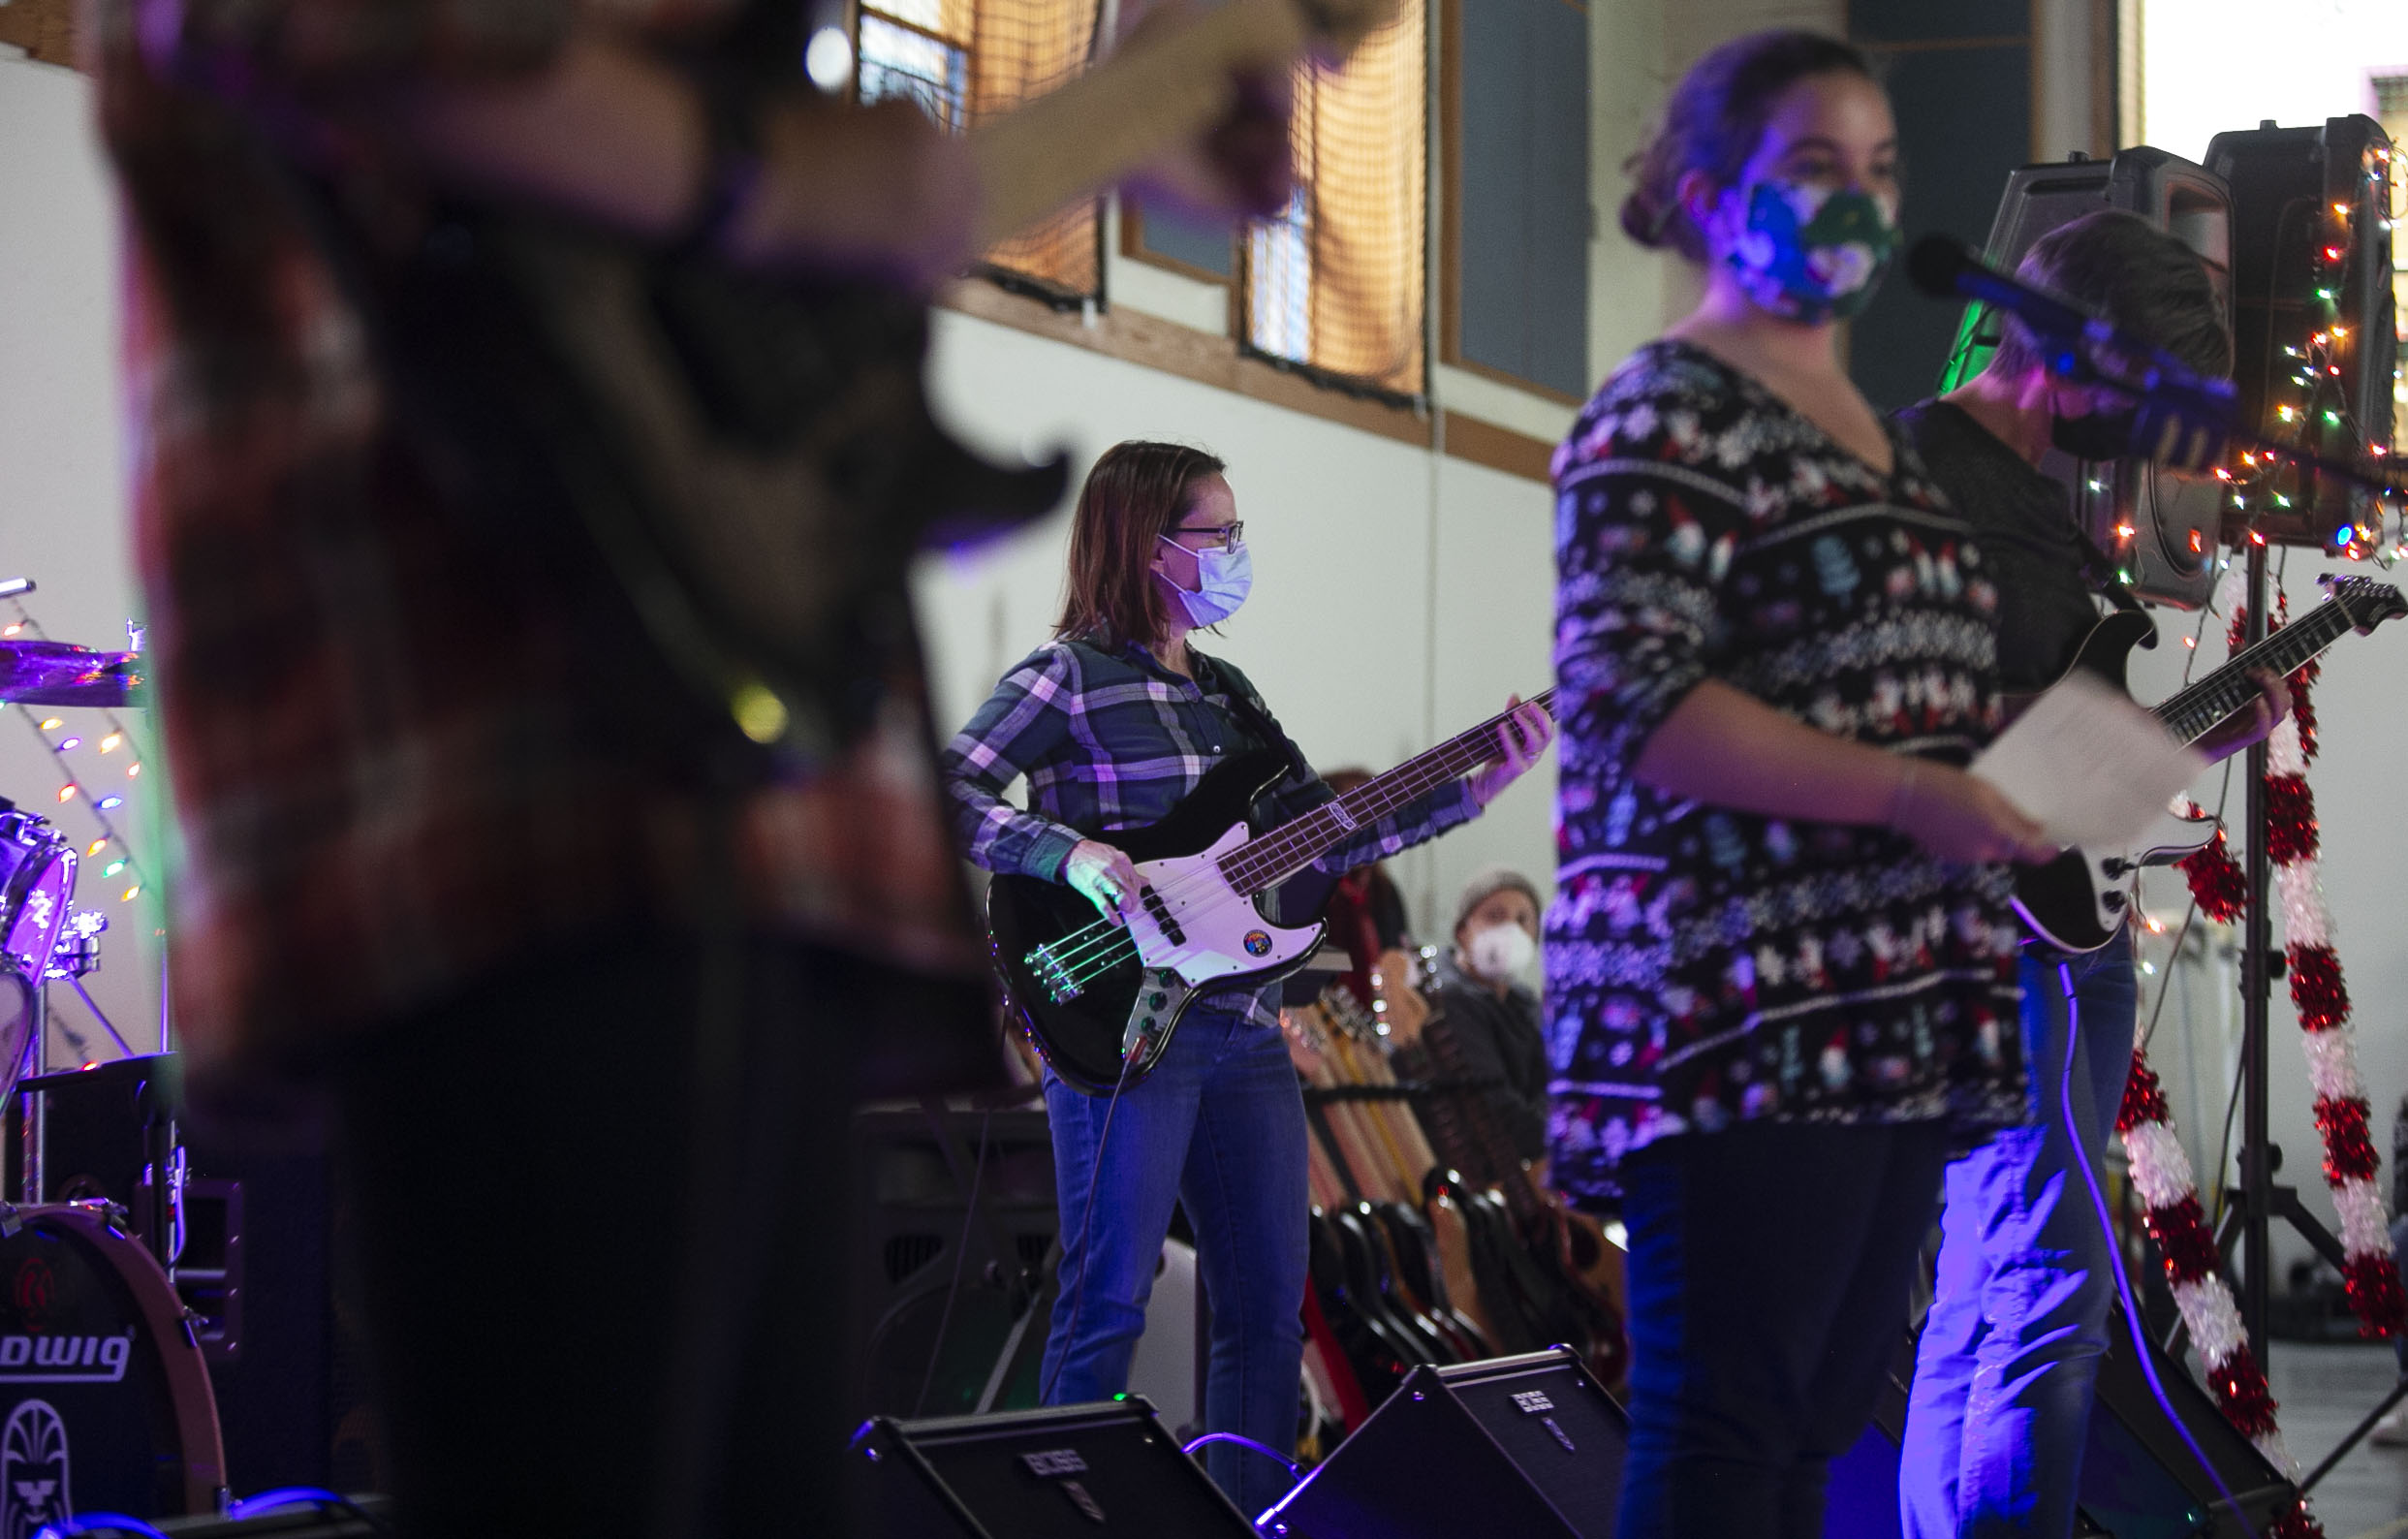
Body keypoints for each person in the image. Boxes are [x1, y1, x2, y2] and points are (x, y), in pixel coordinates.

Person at [93, 4, 1298, 1533]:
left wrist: (1119, 113)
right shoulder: (1068, 671)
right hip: (501, 776)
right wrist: (800, 181)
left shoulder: (1224, 688)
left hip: (786, 824)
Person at [1542, 30, 2063, 1538]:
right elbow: (1630, 699)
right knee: (1726, 1430)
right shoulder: (1670, 407)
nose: (1861, 203)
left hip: (1883, 991)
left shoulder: (1879, 438)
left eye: (1881, 171)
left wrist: (2020, 762)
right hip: (1739, 996)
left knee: (1817, 1425)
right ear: (1714, 196)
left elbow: (1873, 688)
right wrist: (1905, 795)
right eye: (1815, 168)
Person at [940, 439, 1551, 1518]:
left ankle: (1249, 1515)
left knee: (1268, 1310)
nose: (1235, 550)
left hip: (1246, 1030)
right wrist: (1066, 855)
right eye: (1216, 532)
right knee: (1107, 1303)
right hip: (1121, 1023)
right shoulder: (1066, 677)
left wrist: (1473, 788)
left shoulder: (1232, 695)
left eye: (1236, 530)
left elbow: (1334, 834)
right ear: (1147, 544)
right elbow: (948, 787)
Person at [1894, 208, 2285, 1539]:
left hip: (2062, 936)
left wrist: (2193, 741)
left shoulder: (2044, 506)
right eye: (2143, 386)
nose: (2147, 426)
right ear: (2071, 344)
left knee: (1986, 1288)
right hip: (2000, 948)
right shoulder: (1915, 475)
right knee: (2048, 1292)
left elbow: (2051, 757)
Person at [1390, 866, 1551, 1185]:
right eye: (1495, 916)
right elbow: (1492, 1108)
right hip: (1466, 1178)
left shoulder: (1523, 1000)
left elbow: (1550, 1083)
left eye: (1523, 920)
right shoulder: (1445, 1000)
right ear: (1462, 930)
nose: (1511, 930)